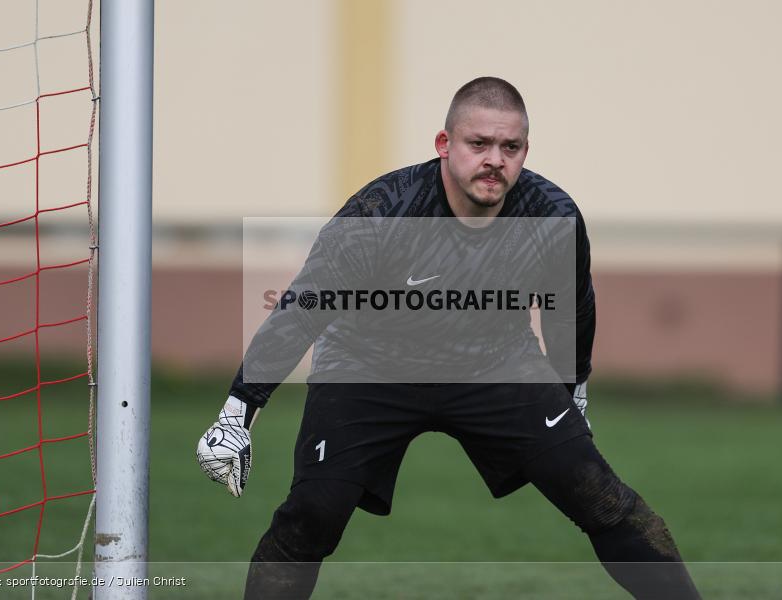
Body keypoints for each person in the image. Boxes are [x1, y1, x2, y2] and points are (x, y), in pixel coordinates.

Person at [197, 77, 701, 600]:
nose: (495, 160)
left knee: (601, 496)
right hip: (368, 365)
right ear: (444, 144)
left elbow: (570, 309)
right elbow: (304, 309)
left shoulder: (552, 215)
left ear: (525, 151)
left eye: (510, 147)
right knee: (312, 514)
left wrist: (573, 393)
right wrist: (239, 410)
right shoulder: (383, 210)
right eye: (478, 144)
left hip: (495, 362)